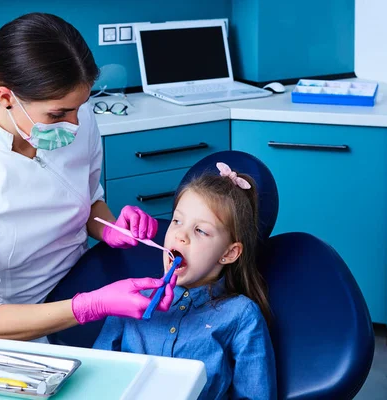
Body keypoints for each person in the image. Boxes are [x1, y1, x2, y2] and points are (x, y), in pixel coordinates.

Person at [0, 13, 175, 365]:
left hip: (77, 303)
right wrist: (91, 305)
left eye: (80, 107)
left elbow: (87, 202)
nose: (76, 124)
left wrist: (111, 227)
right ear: (7, 97)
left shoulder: (76, 121)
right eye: (57, 115)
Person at [93, 162, 277, 400]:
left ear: (229, 253)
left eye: (201, 230)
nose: (181, 235)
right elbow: (97, 375)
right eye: (177, 221)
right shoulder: (129, 300)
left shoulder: (241, 315)